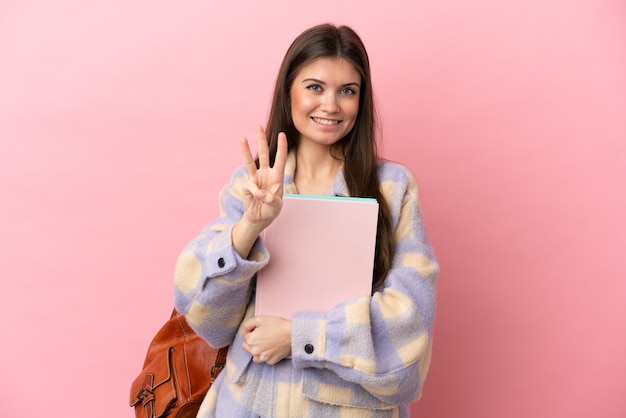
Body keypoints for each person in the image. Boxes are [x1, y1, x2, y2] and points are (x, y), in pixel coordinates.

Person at [174, 23, 439, 418]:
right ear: (289, 92)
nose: (330, 105)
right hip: (249, 405)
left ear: (360, 101)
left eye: (347, 91)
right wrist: (250, 225)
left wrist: (299, 337)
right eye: (314, 87)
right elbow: (203, 316)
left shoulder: (393, 188)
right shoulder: (251, 185)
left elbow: (409, 328)